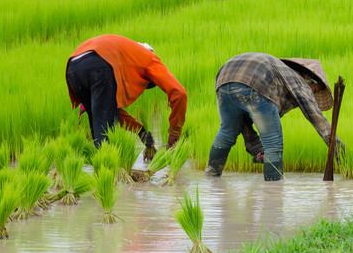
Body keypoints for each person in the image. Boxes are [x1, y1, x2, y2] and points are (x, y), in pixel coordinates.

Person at [207, 53, 337, 181]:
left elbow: (242, 122)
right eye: (315, 90)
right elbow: (316, 118)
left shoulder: (281, 72)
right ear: (310, 80)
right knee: (273, 142)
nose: (312, 93)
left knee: (227, 132)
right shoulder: (300, 82)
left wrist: (255, 148)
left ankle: (211, 176)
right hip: (255, 82)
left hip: (224, 80)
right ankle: (273, 186)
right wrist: (338, 148)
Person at [65, 35, 187, 161]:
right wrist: (174, 136)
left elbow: (112, 112)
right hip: (98, 66)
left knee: (99, 127)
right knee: (104, 134)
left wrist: (142, 133)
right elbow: (180, 93)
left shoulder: (122, 54)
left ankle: (102, 171)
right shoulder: (149, 58)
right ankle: (110, 172)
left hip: (73, 68)